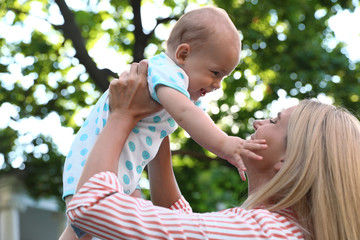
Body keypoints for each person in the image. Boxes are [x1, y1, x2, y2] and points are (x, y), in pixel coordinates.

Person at [64, 61, 360, 240]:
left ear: (288, 160)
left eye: (273, 121)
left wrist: (121, 116)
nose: (258, 121)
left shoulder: (262, 232)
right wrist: (156, 123)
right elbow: (180, 222)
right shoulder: (287, 231)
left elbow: (91, 207)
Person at [62, 6, 248, 206]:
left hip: (124, 173)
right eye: (215, 73)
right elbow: (187, 114)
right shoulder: (166, 72)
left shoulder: (179, 86)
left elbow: (194, 115)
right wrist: (224, 144)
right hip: (91, 166)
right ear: (183, 55)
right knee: (81, 232)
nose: (218, 85)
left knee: (126, 225)